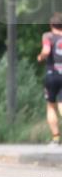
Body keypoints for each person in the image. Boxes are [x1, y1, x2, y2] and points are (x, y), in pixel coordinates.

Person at [37, 12, 62, 147]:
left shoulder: (48, 36)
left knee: (51, 106)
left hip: (53, 74)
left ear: (51, 25)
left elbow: (46, 51)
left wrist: (40, 57)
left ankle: (56, 138)